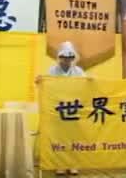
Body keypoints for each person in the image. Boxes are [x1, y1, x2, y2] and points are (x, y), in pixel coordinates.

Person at [45, 42, 84, 176]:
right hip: (59, 110)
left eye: (69, 58)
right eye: (64, 57)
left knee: (74, 138)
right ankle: (59, 165)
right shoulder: (52, 71)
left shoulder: (79, 72)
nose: (67, 60)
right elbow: (47, 86)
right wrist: (41, 81)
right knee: (59, 138)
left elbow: (85, 86)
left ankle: (73, 165)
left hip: (74, 109)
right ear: (59, 57)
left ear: (73, 58)